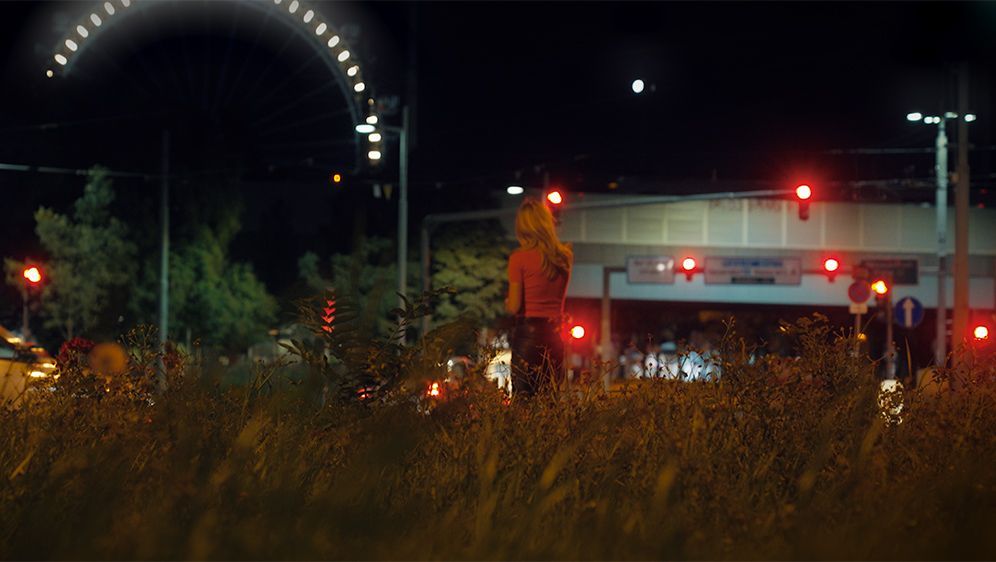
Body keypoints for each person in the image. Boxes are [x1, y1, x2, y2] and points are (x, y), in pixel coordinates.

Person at [504, 197, 573, 397]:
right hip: (555, 334)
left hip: (528, 336)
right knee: (549, 400)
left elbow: (515, 306)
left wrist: (507, 302)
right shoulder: (563, 258)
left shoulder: (518, 258)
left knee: (524, 402)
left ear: (522, 227)